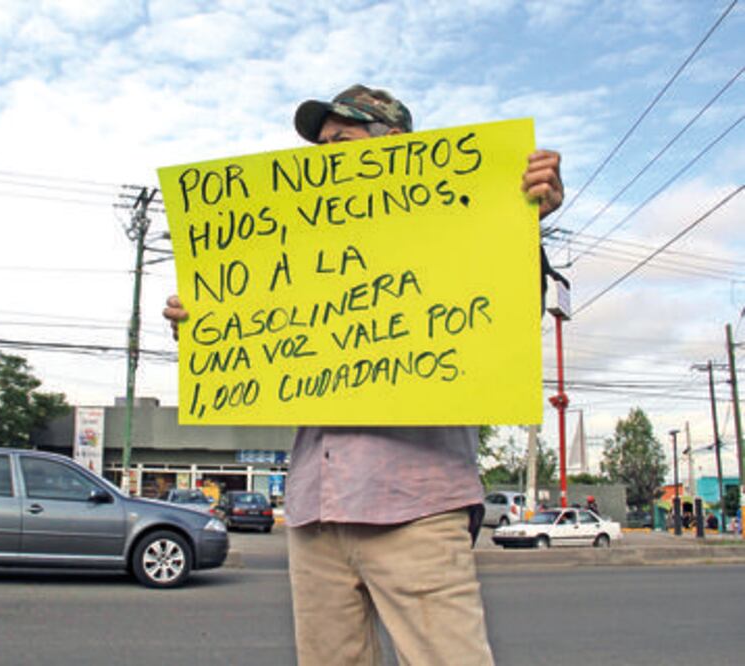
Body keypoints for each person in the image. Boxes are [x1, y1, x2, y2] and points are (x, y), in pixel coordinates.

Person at [164, 84, 563, 665]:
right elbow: (266, 334)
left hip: (416, 508)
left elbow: (507, 312)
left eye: (340, 141)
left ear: (395, 147)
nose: (323, 157)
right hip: (313, 512)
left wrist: (523, 221)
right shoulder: (301, 249)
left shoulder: (453, 230)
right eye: (319, 145)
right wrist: (209, 325)